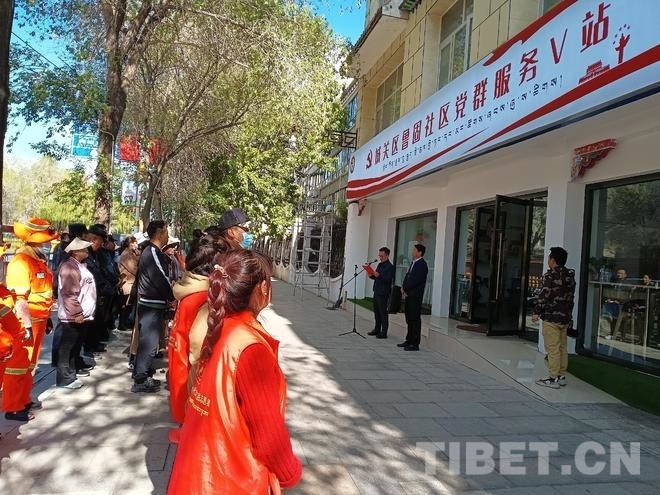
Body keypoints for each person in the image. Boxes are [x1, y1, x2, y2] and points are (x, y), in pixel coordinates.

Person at [168, 250, 302, 494]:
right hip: (231, 477)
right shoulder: (249, 348)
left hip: (198, 471)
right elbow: (268, 435)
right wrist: (289, 474)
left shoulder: (221, 328)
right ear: (262, 288)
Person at [168, 233, 228, 440]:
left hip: (179, 363)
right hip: (190, 373)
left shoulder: (187, 290)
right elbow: (198, 351)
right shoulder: (204, 298)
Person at [5, 218, 58, 414]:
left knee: (30, 364)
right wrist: (26, 325)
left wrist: (47, 317)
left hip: (38, 319)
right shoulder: (21, 262)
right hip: (25, 321)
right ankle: (13, 406)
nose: (46, 243)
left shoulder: (37, 259)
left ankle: (24, 399)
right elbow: (20, 298)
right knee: (18, 364)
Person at [132, 220, 174, 393]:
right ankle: (140, 379)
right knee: (149, 342)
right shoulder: (152, 252)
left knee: (147, 342)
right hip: (151, 304)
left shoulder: (152, 252)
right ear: (159, 233)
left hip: (152, 303)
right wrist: (171, 296)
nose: (168, 236)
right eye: (166, 232)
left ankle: (142, 372)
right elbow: (161, 278)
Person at [56, 237, 97, 389]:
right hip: (72, 317)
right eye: (83, 249)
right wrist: (76, 313)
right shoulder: (69, 267)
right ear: (75, 252)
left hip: (81, 315)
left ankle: (71, 375)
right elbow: (69, 293)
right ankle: (64, 378)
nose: (87, 251)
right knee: (67, 348)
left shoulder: (78, 265)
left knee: (74, 347)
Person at [533, 247, 576, 389]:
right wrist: (569, 317)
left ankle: (553, 378)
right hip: (565, 318)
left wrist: (537, 311)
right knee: (562, 348)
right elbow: (571, 298)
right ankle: (561, 376)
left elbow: (544, 295)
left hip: (551, 317)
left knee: (552, 348)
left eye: (549, 257)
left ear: (553, 260)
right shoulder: (570, 276)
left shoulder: (550, 276)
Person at [0, 283, 32, 421]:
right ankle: (13, 407)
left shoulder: (3, 290)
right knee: (14, 373)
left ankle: (20, 402)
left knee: (22, 370)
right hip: (9, 342)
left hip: (16, 336)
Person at [397, 243, 428, 351]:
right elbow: (408, 277)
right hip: (409, 295)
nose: (412, 252)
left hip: (415, 295)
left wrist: (406, 288)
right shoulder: (413, 263)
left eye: (414, 250)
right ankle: (408, 340)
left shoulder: (422, 265)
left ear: (420, 252)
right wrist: (403, 287)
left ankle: (415, 343)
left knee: (415, 319)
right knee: (409, 318)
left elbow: (416, 280)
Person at [367, 247, 395, 339]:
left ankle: (384, 332)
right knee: (376, 312)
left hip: (383, 292)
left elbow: (388, 280)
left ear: (387, 255)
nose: (380, 258)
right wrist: (371, 275)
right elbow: (376, 277)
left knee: (383, 312)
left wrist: (379, 275)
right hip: (376, 290)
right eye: (379, 256)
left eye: (382, 256)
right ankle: (377, 329)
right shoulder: (379, 265)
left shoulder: (390, 267)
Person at [118, 236, 139, 331]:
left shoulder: (132, 253)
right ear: (129, 244)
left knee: (128, 305)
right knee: (126, 305)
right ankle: (122, 324)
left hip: (132, 282)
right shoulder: (126, 255)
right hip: (127, 282)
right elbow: (133, 268)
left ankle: (124, 323)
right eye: (134, 243)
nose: (135, 245)